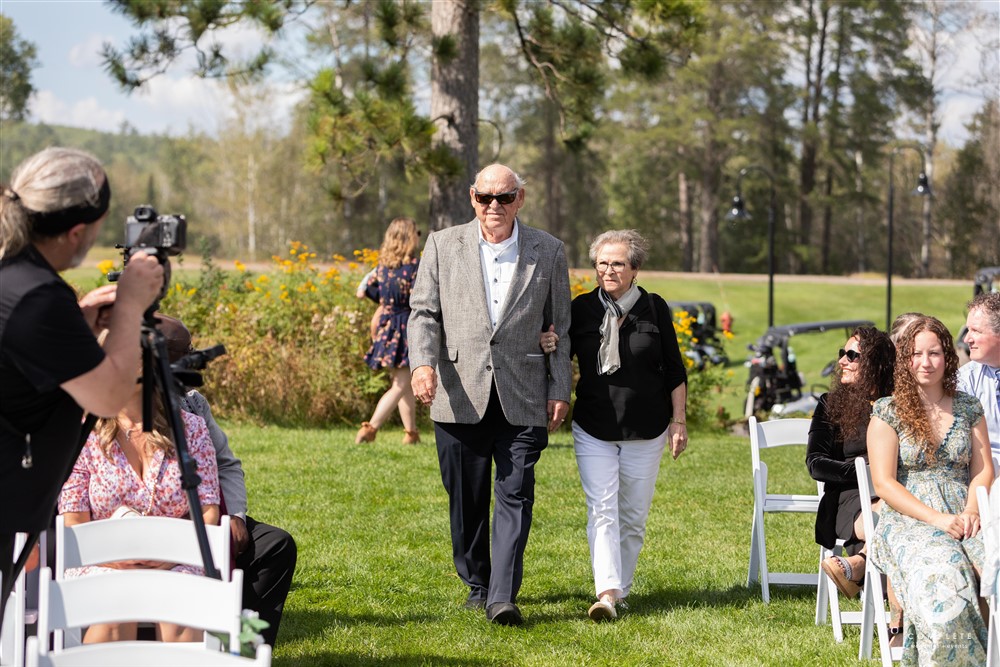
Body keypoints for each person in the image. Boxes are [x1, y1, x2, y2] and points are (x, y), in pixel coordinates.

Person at [0, 147, 163, 624]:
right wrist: (131, 305)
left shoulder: (15, 280)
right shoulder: (37, 298)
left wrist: (80, 328)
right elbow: (111, 396)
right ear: (77, 232)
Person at [407, 163, 572, 626]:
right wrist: (422, 364)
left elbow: (561, 326)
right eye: (485, 198)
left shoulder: (549, 250)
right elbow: (423, 313)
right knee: (466, 498)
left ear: (520, 198)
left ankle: (502, 595)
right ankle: (478, 581)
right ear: (471, 198)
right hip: (458, 393)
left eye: (504, 198)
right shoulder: (442, 244)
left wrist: (560, 387)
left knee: (516, 493)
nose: (493, 207)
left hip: (524, 394)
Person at [566, 229, 687, 622]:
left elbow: (674, 370)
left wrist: (678, 421)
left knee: (632, 516)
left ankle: (622, 588)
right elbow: (559, 357)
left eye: (617, 263)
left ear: (635, 268)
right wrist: (549, 343)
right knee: (601, 509)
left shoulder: (654, 308)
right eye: (602, 263)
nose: (609, 270)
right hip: (593, 426)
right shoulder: (581, 309)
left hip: (646, 428)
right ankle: (608, 595)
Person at [158, 314, 298, 648]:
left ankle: (242, 644)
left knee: (274, 545)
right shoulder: (119, 410)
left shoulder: (194, 404)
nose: (196, 361)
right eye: (187, 353)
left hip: (206, 511)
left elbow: (227, 464)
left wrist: (234, 514)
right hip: (162, 517)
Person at [57, 368, 220, 644]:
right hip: (100, 561)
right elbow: (73, 520)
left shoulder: (190, 429)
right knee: (115, 605)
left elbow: (208, 512)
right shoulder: (82, 433)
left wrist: (168, 557)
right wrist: (118, 559)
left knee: (180, 605)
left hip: (177, 559)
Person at [868, 315, 992, 663]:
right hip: (911, 517)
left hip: (966, 513)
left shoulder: (968, 407)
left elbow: (983, 472)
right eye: (917, 354)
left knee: (992, 564)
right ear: (905, 359)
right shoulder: (887, 411)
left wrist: (970, 512)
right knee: (945, 573)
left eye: (935, 353)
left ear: (948, 357)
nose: (926, 362)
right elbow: (885, 483)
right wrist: (938, 520)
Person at [807, 329, 895, 597]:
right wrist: (867, 474)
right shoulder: (830, 404)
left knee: (893, 503)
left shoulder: (897, 404)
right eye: (842, 353)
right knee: (891, 508)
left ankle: (859, 565)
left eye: (852, 355)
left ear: (875, 364)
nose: (843, 361)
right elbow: (816, 463)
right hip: (848, 497)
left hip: (892, 491)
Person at [354, 218, 421, 445]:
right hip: (406, 326)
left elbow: (362, 291)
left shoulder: (382, 268)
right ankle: (370, 428)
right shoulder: (415, 267)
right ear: (410, 237)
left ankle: (411, 434)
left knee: (402, 382)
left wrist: (383, 301)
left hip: (387, 327)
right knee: (401, 384)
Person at [958, 292, 1000, 460]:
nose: (967, 339)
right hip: (989, 470)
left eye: (976, 331)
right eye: (968, 330)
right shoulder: (965, 380)